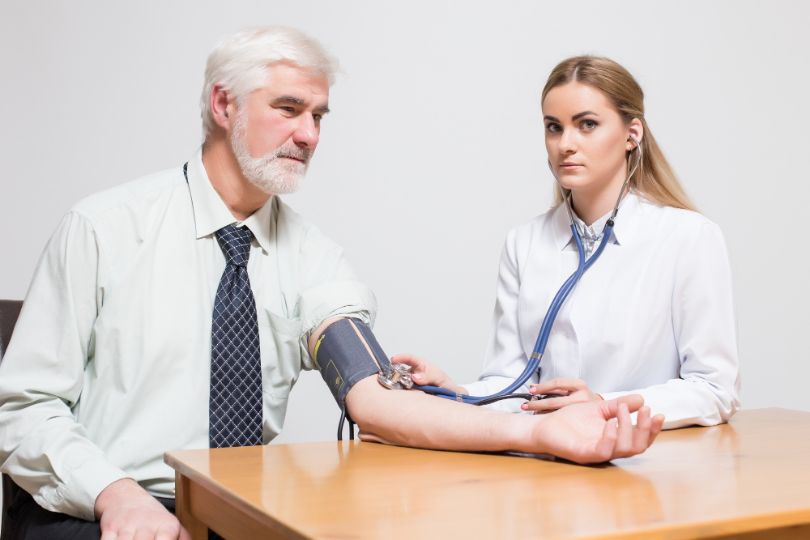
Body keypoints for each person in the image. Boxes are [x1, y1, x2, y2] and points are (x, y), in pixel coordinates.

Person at [0, 33, 663, 540]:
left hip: (233, 515)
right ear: (223, 104)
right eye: (288, 109)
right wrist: (115, 493)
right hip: (100, 510)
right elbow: (21, 409)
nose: (309, 135)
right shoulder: (103, 230)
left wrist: (543, 436)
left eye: (319, 115)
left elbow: (372, 396)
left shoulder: (313, 258)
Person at [393, 56, 740, 430]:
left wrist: (604, 405)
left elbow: (714, 389)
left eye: (587, 124)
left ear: (632, 134)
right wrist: (457, 393)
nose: (565, 144)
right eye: (553, 127)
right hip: (551, 465)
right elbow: (515, 386)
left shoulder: (688, 237)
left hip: (649, 469)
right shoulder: (523, 243)